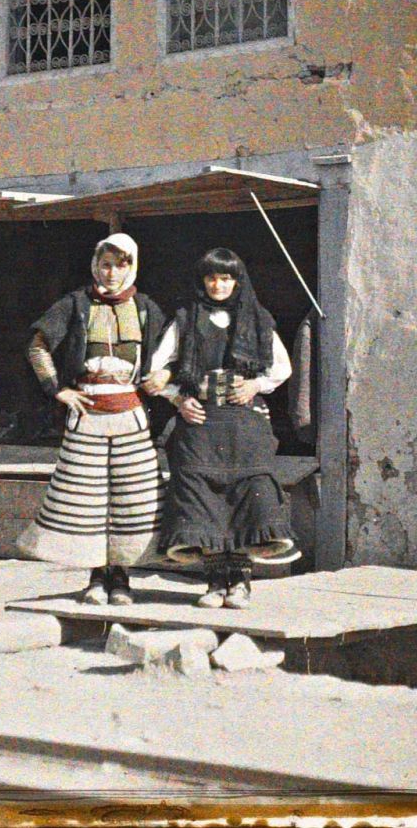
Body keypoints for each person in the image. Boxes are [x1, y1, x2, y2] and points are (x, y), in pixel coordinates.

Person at [14, 233, 169, 604]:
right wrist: (58, 390)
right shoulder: (76, 303)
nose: (112, 273)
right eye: (105, 264)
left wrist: (163, 375)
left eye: (120, 265)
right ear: (95, 266)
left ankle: (122, 579)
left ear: (132, 266)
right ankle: (96, 579)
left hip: (130, 414)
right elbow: (37, 345)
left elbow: (170, 352)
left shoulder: (146, 307)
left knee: (133, 498)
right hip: (87, 414)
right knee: (88, 499)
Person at [141, 248, 298, 608]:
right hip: (200, 422)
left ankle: (240, 581)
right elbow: (156, 368)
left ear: (237, 281)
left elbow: (281, 367)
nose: (218, 284)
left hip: (244, 422)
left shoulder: (258, 319)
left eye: (226, 277)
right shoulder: (184, 319)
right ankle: (214, 582)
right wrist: (179, 399)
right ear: (203, 281)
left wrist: (255, 385)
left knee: (248, 492)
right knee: (204, 498)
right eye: (212, 277)